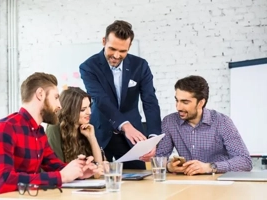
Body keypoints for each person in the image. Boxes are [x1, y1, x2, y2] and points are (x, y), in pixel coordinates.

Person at [0, 72, 98, 200]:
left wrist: (80, 171)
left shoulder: (38, 132)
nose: (59, 105)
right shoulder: (5, 128)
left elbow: (56, 166)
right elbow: (5, 182)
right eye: (56, 98)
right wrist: (62, 176)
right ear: (40, 94)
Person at [79, 20, 161, 169]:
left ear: (129, 47)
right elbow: (101, 99)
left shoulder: (140, 66)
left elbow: (150, 101)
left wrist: (153, 138)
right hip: (101, 134)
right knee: (100, 180)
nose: (116, 55)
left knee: (139, 184)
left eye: (122, 51)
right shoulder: (88, 67)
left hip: (133, 139)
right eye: (112, 49)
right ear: (104, 41)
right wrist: (125, 125)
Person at [154, 75, 252, 175]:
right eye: (177, 100)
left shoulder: (222, 121)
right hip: (187, 182)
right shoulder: (169, 122)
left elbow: (245, 161)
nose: (178, 107)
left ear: (201, 103)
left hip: (218, 182)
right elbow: (159, 159)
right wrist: (169, 166)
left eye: (185, 102)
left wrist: (210, 167)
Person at [46, 87, 104, 178]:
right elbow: (57, 169)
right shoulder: (54, 128)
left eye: (89, 106)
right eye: (83, 109)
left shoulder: (86, 128)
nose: (89, 112)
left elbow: (98, 171)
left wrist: (92, 138)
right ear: (70, 111)